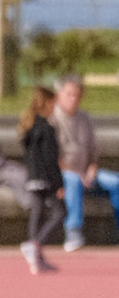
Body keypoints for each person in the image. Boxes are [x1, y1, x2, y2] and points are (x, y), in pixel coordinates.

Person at [54, 76, 117, 254]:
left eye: (77, 95)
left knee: (115, 182)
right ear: (59, 94)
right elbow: (52, 158)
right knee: (73, 180)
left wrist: (91, 170)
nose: (74, 98)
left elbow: (93, 154)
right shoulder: (53, 119)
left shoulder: (84, 119)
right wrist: (78, 174)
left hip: (87, 174)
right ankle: (73, 233)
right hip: (63, 175)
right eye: (69, 94)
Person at [19, 82, 64, 277]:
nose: (55, 108)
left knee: (37, 213)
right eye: (53, 104)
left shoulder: (29, 127)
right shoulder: (46, 129)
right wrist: (58, 184)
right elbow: (50, 159)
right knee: (60, 212)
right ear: (46, 104)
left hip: (32, 177)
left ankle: (37, 259)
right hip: (45, 178)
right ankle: (35, 245)